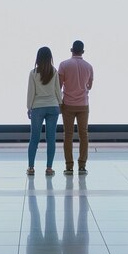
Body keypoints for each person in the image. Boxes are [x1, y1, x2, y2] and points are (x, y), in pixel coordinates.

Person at [58, 40, 93, 175]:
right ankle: (82, 165)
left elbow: (59, 85)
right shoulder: (89, 66)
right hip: (83, 104)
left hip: (68, 104)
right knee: (84, 134)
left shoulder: (64, 65)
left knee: (68, 135)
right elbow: (90, 86)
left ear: (71, 50)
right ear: (83, 52)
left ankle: (69, 166)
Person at [26, 47, 62, 176]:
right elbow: (58, 90)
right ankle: (49, 168)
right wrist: (60, 104)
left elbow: (31, 92)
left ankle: (31, 167)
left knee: (34, 138)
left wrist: (29, 107)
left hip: (38, 107)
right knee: (51, 138)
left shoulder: (33, 73)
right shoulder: (54, 72)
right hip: (53, 107)